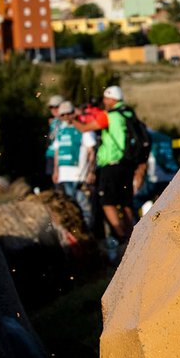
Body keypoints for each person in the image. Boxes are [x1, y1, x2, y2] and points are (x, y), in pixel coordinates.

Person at [77, 85, 138, 245]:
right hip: (128, 163)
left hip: (111, 165)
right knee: (126, 203)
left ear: (112, 99)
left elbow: (84, 128)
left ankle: (123, 238)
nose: (104, 101)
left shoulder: (109, 116)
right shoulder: (128, 113)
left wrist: (73, 120)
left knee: (107, 202)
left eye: (106, 98)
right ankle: (134, 236)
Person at [53, 101, 96, 229]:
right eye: (63, 115)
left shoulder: (84, 129)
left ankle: (87, 234)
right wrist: (56, 171)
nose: (66, 117)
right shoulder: (59, 131)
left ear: (73, 114)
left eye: (69, 114)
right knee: (68, 207)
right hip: (64, 175)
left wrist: (91, 171)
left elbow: (91, 152)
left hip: (79, 175)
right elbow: (57, 152)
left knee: (84, 207)